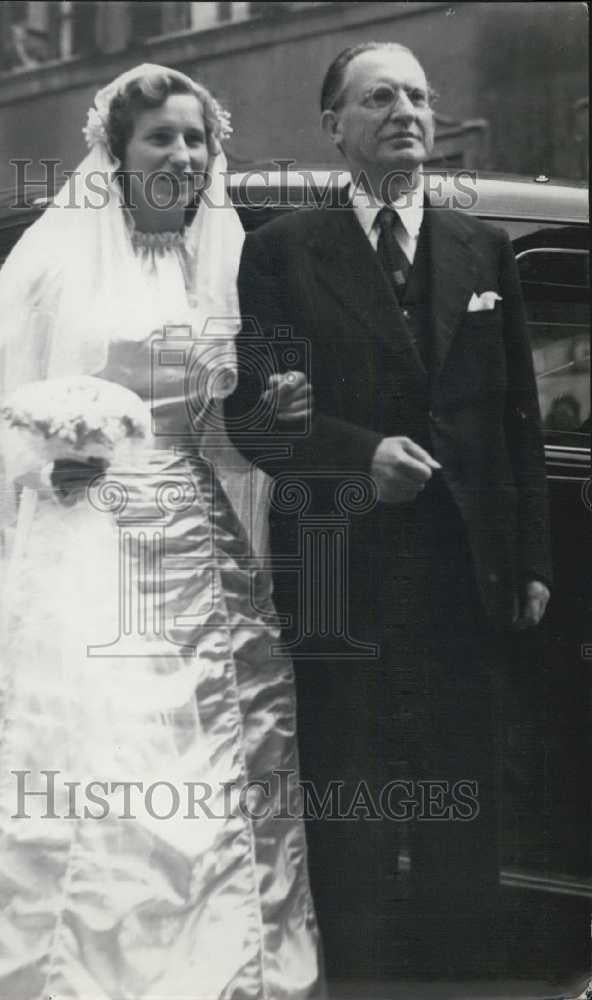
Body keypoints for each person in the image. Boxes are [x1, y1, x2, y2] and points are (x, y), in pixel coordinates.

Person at [0, 65, 320, 999]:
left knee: (215, 757)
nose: (184, 155)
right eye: (161, 137)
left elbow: (232, 421)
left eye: (197, 139)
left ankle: (219, 955)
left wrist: (275, 402)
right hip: (90, 531)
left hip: (199, 537)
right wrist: (52, 463)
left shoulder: (228, 261)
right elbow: (4, 404)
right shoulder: (59, 259)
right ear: (117, 153)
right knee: (94, 752)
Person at [226, 42, 551, 979]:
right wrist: (354, 458)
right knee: (351, 792)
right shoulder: (282, 251)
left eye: (417, 94)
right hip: (341, 570)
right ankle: (360, 978)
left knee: (462, 787)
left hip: (464, 565)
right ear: (336, 126)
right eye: (379, 98)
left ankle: (460, 976)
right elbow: (254, 416)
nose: (406, 110)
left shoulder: (481, 247)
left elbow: (518, 417)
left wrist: (531, 557)